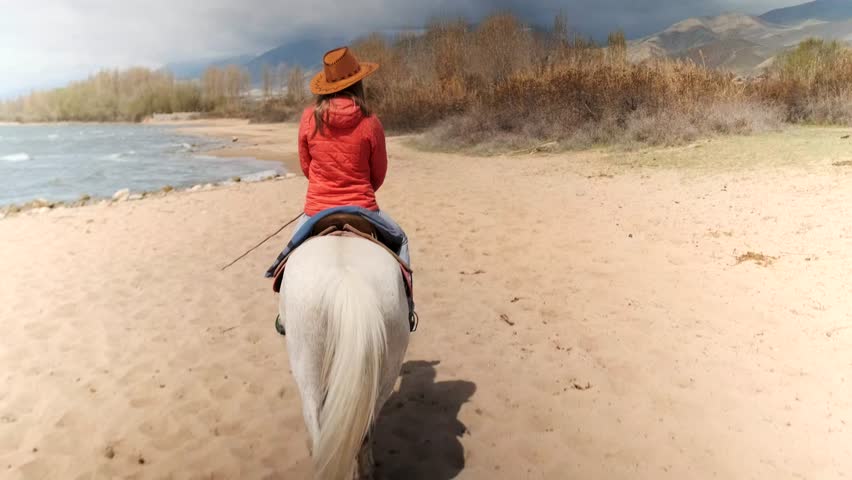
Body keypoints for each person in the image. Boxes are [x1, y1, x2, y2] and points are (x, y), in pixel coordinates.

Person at [275, 46, 413, 335]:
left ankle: (284, 314)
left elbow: (306, 166)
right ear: (357, 83)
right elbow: (379, 173)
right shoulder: (370, 122)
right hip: (363, 208)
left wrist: (325, 187)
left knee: (288, 255)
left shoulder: (308, 118)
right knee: (400, 241)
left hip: (317, 209)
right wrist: (358, 189)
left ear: (327, 86)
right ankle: (408, 308)